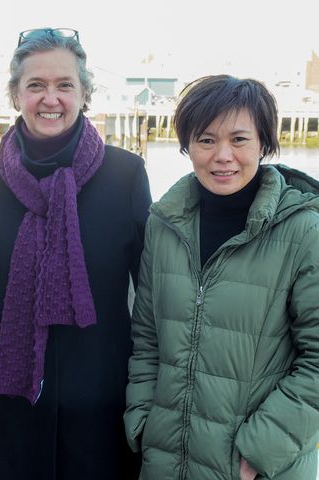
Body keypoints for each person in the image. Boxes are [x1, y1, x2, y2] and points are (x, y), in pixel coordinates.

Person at [0, 28, 151, 479]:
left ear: (84, 93)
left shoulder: (125, 176)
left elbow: (153, 296)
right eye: (36, 85)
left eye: (64, 85)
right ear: (16, 94)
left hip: (104, 413)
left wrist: (138, 385)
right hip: (8, 409)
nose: (50, 98)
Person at [125, 75, 319, 479]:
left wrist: (259, 451)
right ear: (187, 145)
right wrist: (142, 421)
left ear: (264, 143)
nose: (223, 155)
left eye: (240, 139)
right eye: (207, 139)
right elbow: (146, 338)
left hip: (259, 468)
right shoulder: (164, 225)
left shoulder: (303, 232)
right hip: (165, 461)